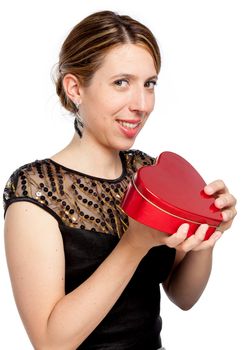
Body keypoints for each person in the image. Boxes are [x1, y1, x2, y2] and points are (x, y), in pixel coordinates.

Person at [3, 10, 237, 350]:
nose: (141, 104)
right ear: (75, 88)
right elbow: (50, 342)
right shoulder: (36, 190)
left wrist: (208, 231)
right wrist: (134, 243)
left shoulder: (147, 173)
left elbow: (183, 296)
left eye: (149, 84)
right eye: (121, 83)